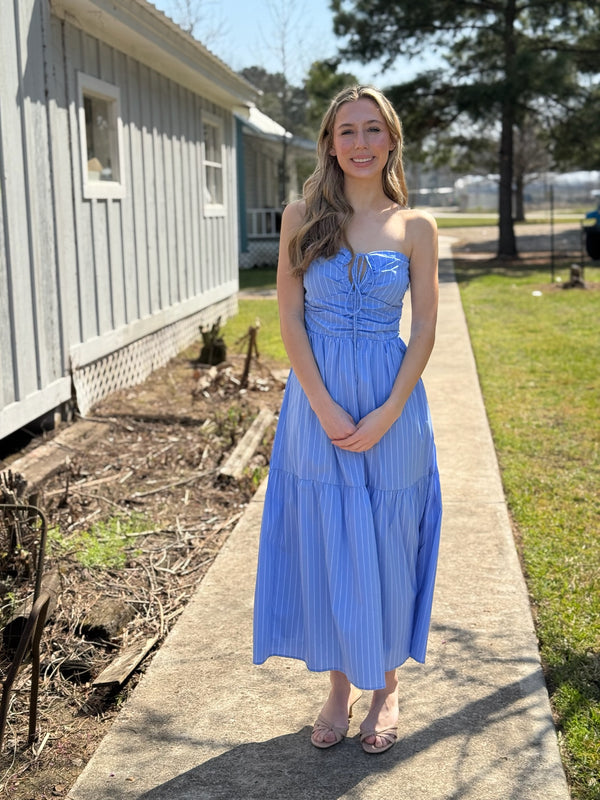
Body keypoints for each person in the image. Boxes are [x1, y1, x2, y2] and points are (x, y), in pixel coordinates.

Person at [253, 85, 442, 754]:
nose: (360, 143)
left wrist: (389, 411)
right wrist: (324, 404)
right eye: (347, 131)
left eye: (372, 129)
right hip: (317, 407)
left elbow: (424, 329)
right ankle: (340, 687)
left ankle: (386, 684)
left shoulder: (416, 227)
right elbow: (289, 317)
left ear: (391, 140)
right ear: (330, 144)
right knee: (331, 541)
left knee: (389, 543)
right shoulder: (302, 216)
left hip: (394, 408)